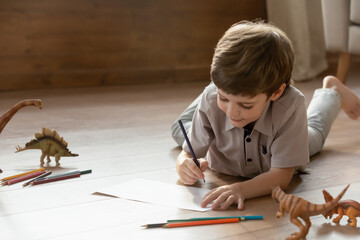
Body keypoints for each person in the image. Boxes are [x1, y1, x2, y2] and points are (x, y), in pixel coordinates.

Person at [171, 20, 360, 211]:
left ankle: (332, 91)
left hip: (285, 139)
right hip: (213, 104)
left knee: (315, 136)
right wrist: (184, 164)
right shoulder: (212, 98)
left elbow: (281, 176)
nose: (232, 112)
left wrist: (241, 189)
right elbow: (187, 153)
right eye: (224, 98)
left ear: (276, 92)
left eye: (245, 104)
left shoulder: (290, 105)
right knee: (178, 128)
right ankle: (226, 91)